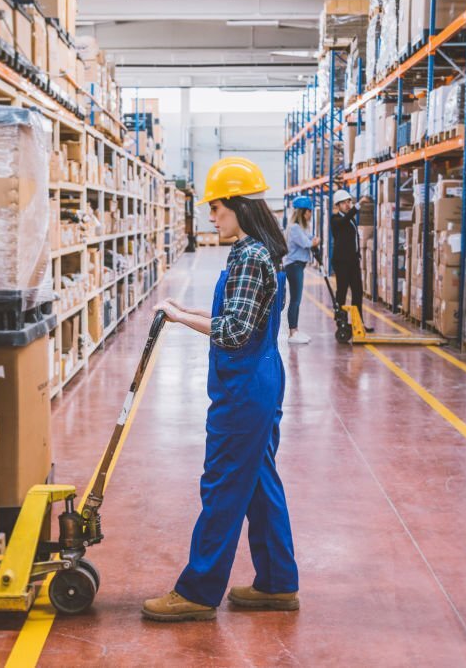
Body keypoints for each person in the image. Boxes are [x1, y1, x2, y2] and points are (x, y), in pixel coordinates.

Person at [145, 156, 300, 622]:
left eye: (216, 208)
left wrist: (179, 318)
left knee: (223, 486)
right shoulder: (250, 251)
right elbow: (238, 314)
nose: (211, 216)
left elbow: (233, 332)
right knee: (258, 483)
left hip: (245, 389)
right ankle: (277, 583)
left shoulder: (251, 256)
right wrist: (185, 310)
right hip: (257, 380)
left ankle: (198, 590)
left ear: (238, 206)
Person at [329, 189, 373, 332]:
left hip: (353, 261)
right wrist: (358, 205)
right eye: (344, 203)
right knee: (342, 291)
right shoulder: (335, 219)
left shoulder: (351, 219)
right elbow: (345, 219)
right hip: (341, 262)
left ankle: (358, 324)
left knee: (357, 292)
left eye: (349, 202)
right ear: (337, 205)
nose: (347, 205)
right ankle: (341, 322)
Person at [283, 195, 319, 345]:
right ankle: (292, 333)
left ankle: (295, 330)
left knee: (297, 299)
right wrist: (313, 242)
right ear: (303, 212)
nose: (311, 214)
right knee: (295, 300)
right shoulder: (295, 228)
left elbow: (312, 239)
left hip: (298, 265)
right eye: (309, 211)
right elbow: (308, 243)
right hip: (294, 266)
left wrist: (313, 241)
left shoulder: (302, 227)